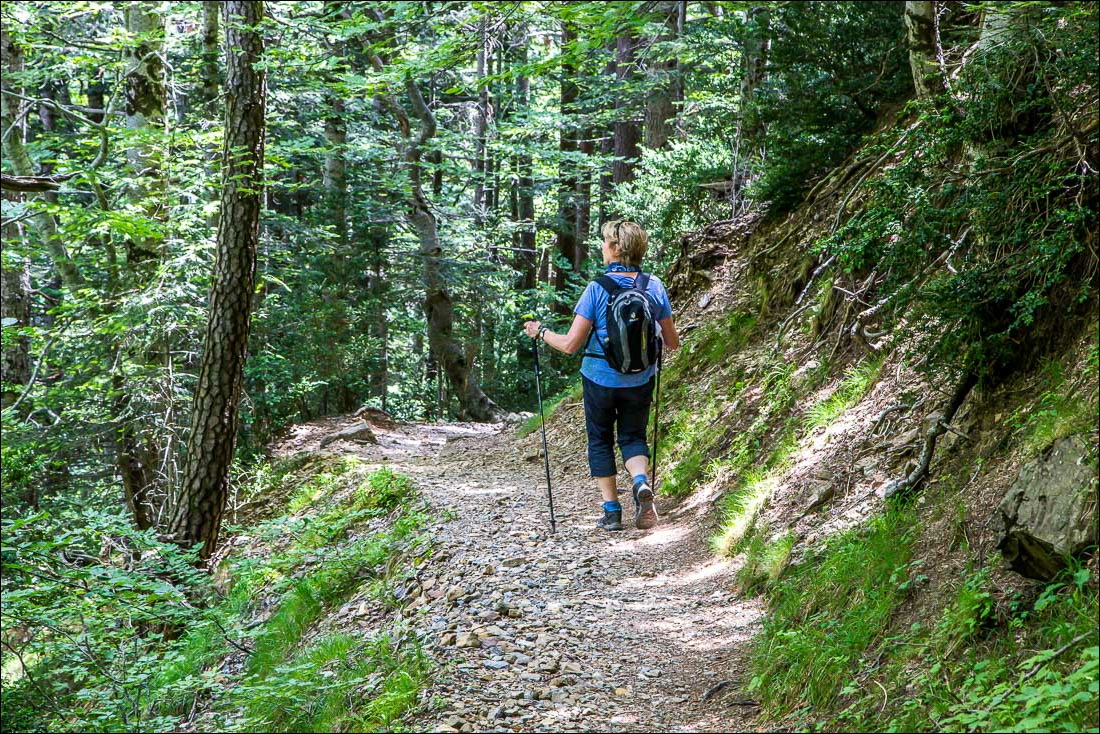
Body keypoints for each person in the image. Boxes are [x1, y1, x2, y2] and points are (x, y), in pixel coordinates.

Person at [523, 220, 680, 531]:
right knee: (633, 436)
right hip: (640, 379)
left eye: (605, 242)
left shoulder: (597, 288)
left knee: (600, 440)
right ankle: (639, 481)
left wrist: (540, 332)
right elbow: (672, 342)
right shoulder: (654, 286)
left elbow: (570, 344)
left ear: (616, 248)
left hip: (599, 378)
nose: (601, 246)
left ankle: (611, 511)